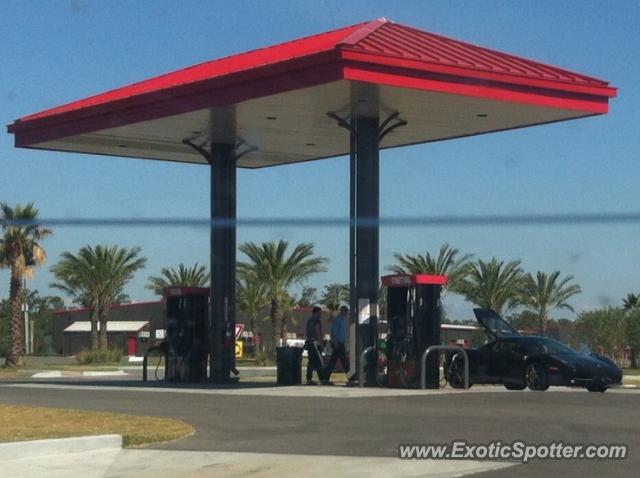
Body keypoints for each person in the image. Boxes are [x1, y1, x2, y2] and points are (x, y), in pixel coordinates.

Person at [323, 305, 350, 384]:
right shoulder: (338, 320)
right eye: (345, 311)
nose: (346, 313)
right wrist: (335, 342)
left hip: (341, 343)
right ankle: (350, 379)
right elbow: (333, 332)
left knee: (333, 361)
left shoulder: (342, 320)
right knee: (344, 361)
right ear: (342, 311)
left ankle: (326, 378)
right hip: (338, 343)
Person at [304, 306, 325, 385]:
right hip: (315, 343)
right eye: (319, 313)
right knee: (319, 361)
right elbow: (318, 331)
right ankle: (322, 378)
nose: (320, 315)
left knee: (311, 362)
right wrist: (321, 342)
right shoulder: (317, 321)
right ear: (316, 312)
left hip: (309, 342)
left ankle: (309, 379)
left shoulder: (309, 321)